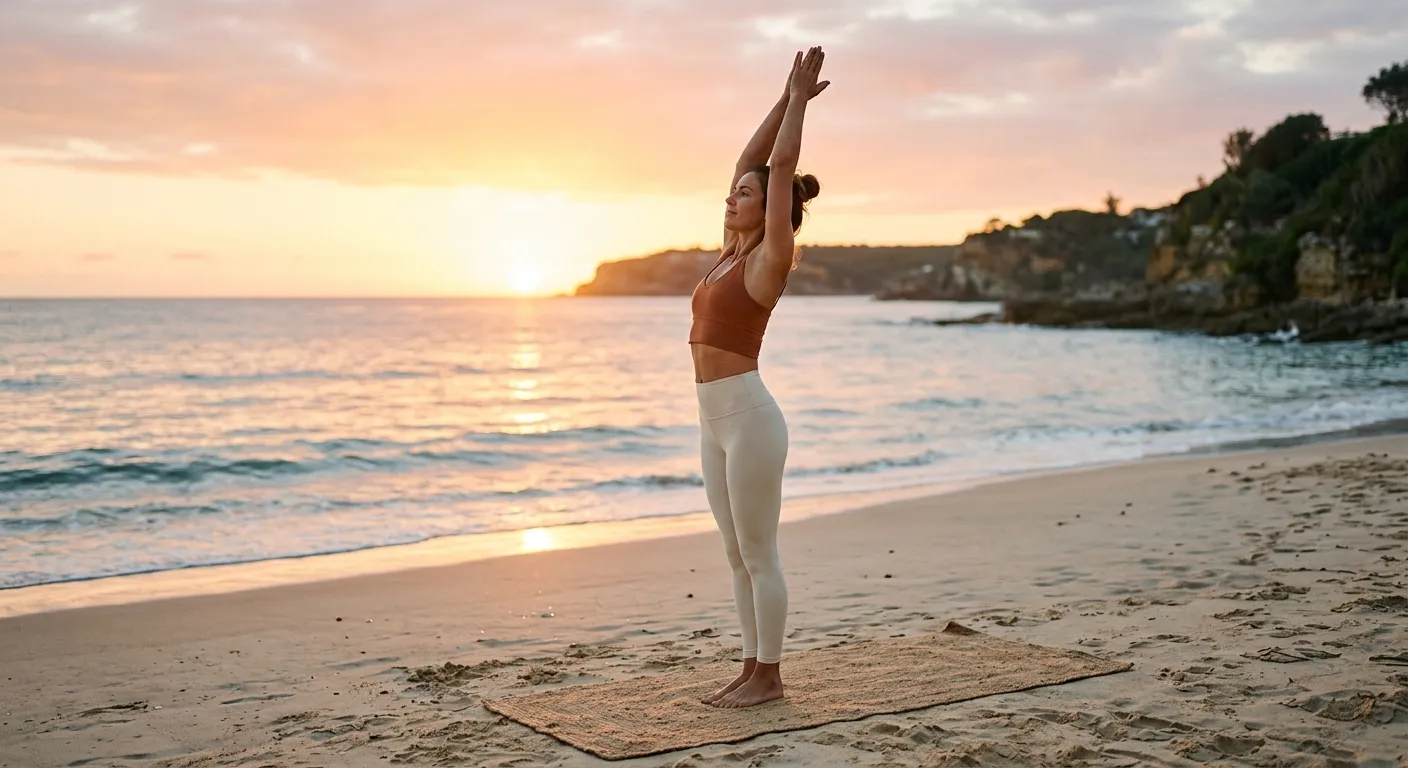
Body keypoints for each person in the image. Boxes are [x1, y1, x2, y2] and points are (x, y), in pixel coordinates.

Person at [689, 46, 827, 709]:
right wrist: (780, 95)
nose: (731, 197)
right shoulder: (726, 255)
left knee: (759, 551)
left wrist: (799, 103)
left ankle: (771, 677)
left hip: (749, 421)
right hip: (712, 421)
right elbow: (751, 159)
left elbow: (778, 167)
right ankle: (750, 667)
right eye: (733, 192)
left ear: (771, 210)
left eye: (744, 195)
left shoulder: (770, 258)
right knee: (735, 554)